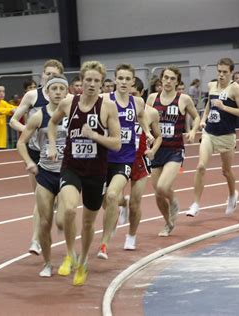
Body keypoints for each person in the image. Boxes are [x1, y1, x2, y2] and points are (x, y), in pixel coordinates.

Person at [47, 61, 121, 286]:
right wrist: (52, 144)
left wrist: (95, 136)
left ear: (102, 84)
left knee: (88, 223)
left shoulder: (108, 107)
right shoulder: (70, 103)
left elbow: (117, 143)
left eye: (96, 81)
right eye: (88, 80)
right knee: (68, 209)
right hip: (72, 167)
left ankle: (84, 260)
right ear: (81, 81)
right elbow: (52, 123)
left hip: (96, 172)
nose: (91, 84)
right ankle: (70, 253)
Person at [96, 64, 153, 260]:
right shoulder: (104, 99)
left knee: (112, 195)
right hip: (104, 158)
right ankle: (122, 205)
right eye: (120, 78)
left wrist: (148, 132)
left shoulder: (137, 102)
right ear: (115, 80)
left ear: (132, 81)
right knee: (105, 202)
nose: (123, 82)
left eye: (127, 79)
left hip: (125, 158)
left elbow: (143, 117)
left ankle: (104, 244)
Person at [10, 59, 64, 256]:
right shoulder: (32, 95)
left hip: (60, 154)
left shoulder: (64, 99)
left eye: (54, 75)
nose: (49, 77)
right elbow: (13, 121)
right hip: (36, 152)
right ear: (42, 75)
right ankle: (35, 239)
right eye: (47, 74)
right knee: (39, 199)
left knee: (56, 200)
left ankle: (56, 220)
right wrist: (29, 130)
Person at [16, 74, 69, 277]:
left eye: (61, 89)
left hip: (67, 173)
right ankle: (47, 263)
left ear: (66, 92)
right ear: (47, 92)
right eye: (53, 89)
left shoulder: (73, 114)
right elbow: (21, 142)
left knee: (63, 220)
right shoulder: (38, 116)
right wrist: (29, 162)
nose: (57, 92)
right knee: (45, 222)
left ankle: (70, 254)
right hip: (46, 173)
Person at [185, 58, 239, 217]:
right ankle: (195, 204)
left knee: (226, 171)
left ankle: (233, 195)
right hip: (209, 133)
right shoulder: (212, 85)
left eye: (224, 72)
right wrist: (204, 119)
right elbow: (208, 105)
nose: (221, 75)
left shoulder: (236, 89)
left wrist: (224, 107)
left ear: (231, 73)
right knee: (200, 166)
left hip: (227, 136)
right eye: (219, 71)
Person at [147, 65, 200, 236]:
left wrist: (192, 131)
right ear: (161, 79)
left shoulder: (183, 99)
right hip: (156, 149)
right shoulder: (152, 98)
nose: (168, 81)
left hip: (175, 150)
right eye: (166, 78)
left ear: (177, 82)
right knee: (157, 193)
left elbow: (197, 116)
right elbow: (143, 119)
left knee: (163, 187)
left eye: (172, 79)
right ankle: (168, 223)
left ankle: (174, 200)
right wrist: (147, 133)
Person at [122, 77, 162, 250]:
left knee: (136, 202)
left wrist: (153, 150)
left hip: (140, 160)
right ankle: (122, 203)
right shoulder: (119, 109)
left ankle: (131, 235)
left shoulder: (151, 113)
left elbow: (159, 136)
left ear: (142, 94)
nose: (131, 98)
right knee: (110, 198)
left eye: (134, 94)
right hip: (121, 157)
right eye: (128, 94)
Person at [0, 85, 17, 150]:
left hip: (3, 141)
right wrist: (10, 110)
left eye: (3, 91)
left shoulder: (3, 103)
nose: (2, 93)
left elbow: (12, 107)